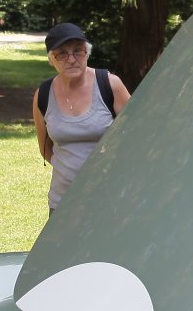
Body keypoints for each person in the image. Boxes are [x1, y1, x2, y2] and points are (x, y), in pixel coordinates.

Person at [32, 23, 131, 216]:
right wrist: (71, 171)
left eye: (78, 51)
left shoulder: (110, 85)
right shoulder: (42, 95)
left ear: (87, 53)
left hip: (111, 201)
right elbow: (45, 149)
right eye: (62, 54)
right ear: (51, 59)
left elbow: (137, 136)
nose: (71, 59)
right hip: (63, 203)